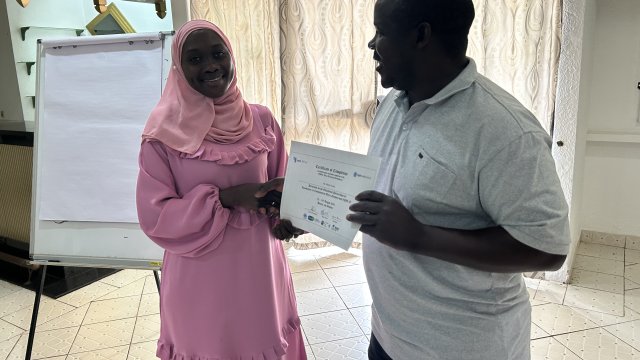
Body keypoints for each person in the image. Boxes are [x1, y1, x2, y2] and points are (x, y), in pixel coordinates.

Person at [346, 0, 571, 359]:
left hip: (463, 347)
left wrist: (420, 236)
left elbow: (548, 247)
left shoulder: (504, 130)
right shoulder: (391, 104)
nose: (372, 44)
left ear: (421, 35)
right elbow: (391, 190)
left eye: (381, 32)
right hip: (388, 337)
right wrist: (305, 201)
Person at [136, 20, 306, 360]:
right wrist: (227, 197)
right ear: (179, 68)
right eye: (195, 59)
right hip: (199, 277)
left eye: (218, 54)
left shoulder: (261, 121)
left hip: (259, 268)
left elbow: (280, 186)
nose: (211, 65)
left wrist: (289, 218)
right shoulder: (161, 136)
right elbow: (155, 216)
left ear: (231, 56)